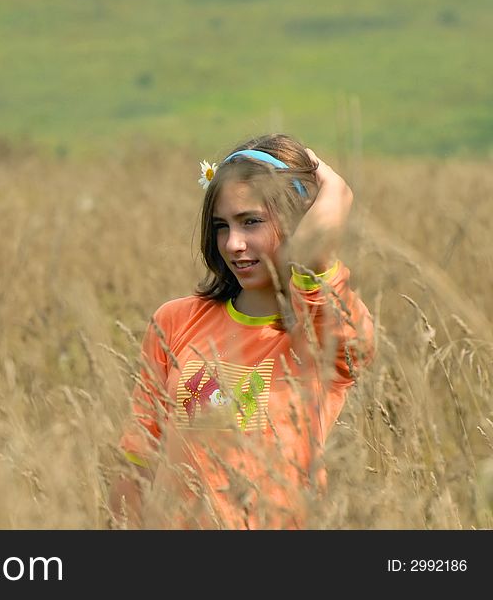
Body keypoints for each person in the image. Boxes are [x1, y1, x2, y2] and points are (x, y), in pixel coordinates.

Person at [109, 133, 375, 529]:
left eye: (251, 222)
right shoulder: (175, 321)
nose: (233, 243)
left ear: (298, 222)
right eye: (221, 226)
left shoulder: (324, 336)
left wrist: (335, 192)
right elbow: (137, 460)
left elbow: (316, 260)